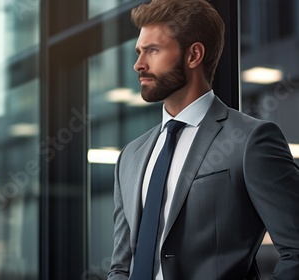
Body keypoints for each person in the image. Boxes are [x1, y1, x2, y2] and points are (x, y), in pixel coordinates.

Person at [107, 0, 299, 279]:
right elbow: (121, 266)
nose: (139, 64)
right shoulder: (130, 157)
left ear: (194, 55)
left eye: (153, 50)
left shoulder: (250, 140)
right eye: (139, 52)